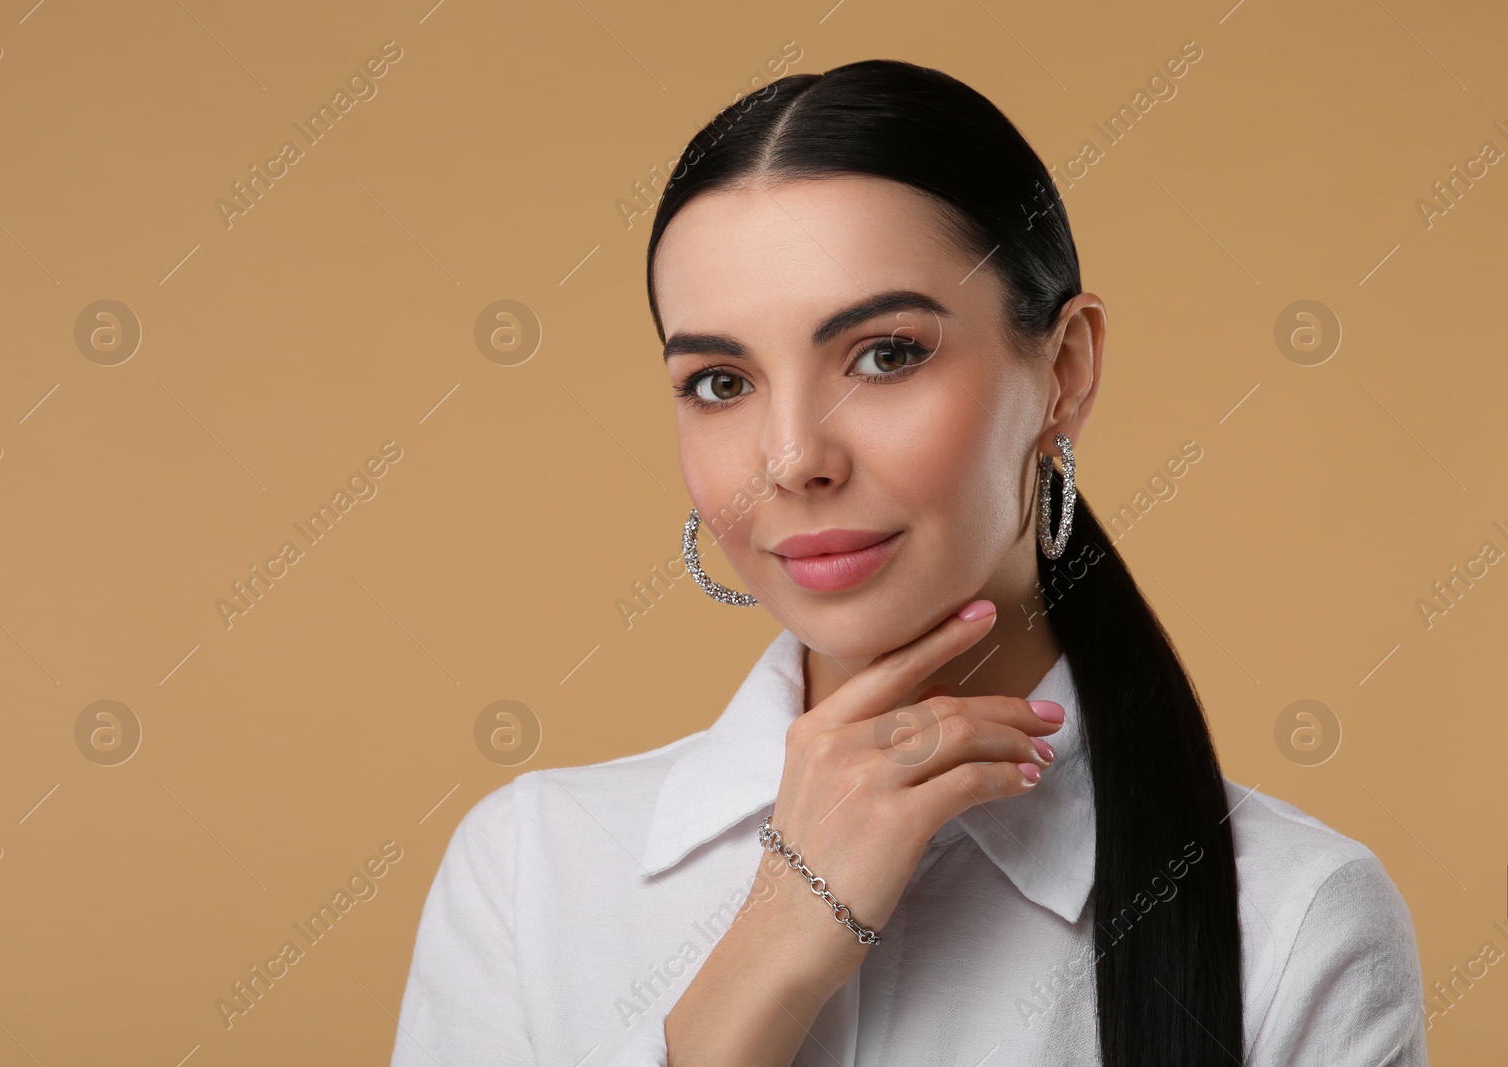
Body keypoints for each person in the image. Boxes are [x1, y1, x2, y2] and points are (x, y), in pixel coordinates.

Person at [389, 58, 1426, 1066]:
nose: (792, 458)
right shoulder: (531, 869)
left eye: (884, 354)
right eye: (718, 381)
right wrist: (773, 948)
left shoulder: (1293, 916)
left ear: (1063, 371)